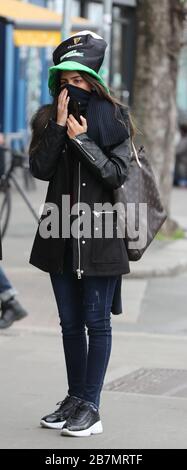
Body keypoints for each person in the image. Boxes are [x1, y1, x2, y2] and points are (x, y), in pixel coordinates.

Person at [29, 31, 133, 437]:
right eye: (64, 83)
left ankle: (92, 406)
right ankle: (75, 398)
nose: (70, 90)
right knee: (70, 324)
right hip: (60, 236)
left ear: (93, 81)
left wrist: (83, 140)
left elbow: (116, 174)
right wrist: (57, 128)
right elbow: (40, 170)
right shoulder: (47, 118)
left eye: (77, 81)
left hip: (102, 237)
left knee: (96, 322)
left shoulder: (114, 119)